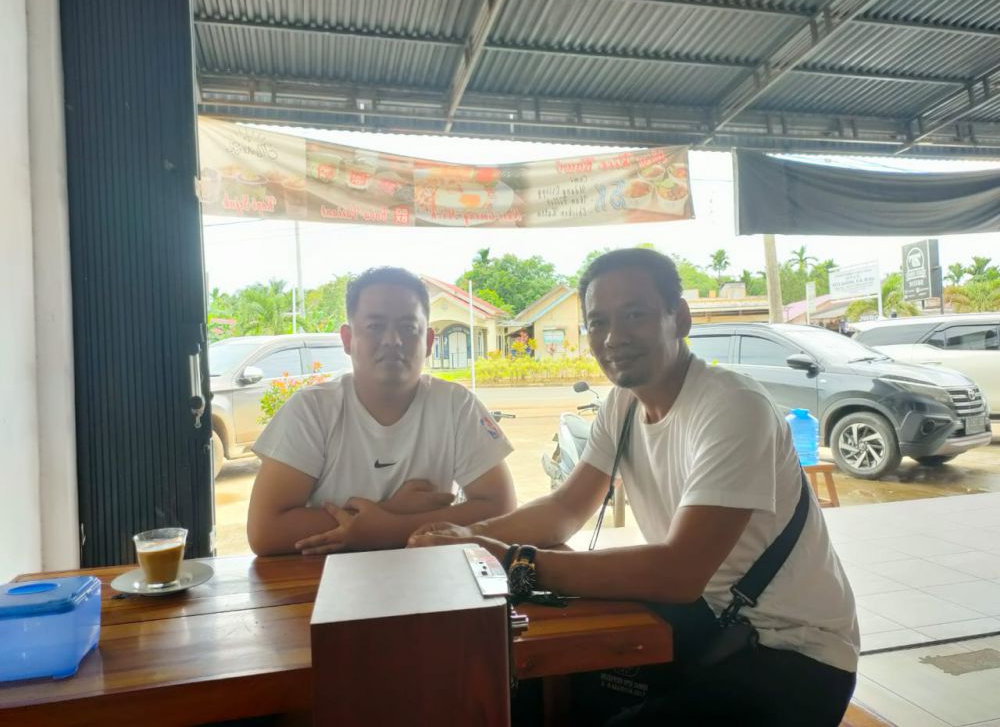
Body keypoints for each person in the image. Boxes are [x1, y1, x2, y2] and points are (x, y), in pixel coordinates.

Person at [410, 249, 859, 726]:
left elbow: (678, 572)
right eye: (598, 322)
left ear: (679, 318)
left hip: (794, 652)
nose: (613, 337)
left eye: (635, 315)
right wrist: (471, 538)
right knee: (535, 692)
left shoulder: (732, 407)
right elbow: (565, 509)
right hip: (701, 625)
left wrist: (513, 561)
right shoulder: (622, 405)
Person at [246, 266, 517, 556]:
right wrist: (392, 509)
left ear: (428, 342)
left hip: (429, 573)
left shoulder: (455, 405)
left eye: (408, 328)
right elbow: (265, 531)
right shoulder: (312, 410)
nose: (392, 340)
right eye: (375, 326)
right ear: (347, 339)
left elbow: (502, 508)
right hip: (327, 576)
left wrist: (391, 527)